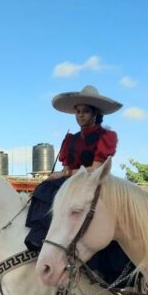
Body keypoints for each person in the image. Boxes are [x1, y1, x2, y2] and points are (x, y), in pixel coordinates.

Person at [25, 85, 130, 283]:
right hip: (71, 181)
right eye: (78, 111)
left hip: (92, 181)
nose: (80, 116)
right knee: (44, 189)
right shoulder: (70, 139)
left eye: (85, 111)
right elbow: (66, 167)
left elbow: (96, 169)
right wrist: (57, 174)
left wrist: (67, 173)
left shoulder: (106, 136)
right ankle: (44, 243)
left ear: (95, 113)